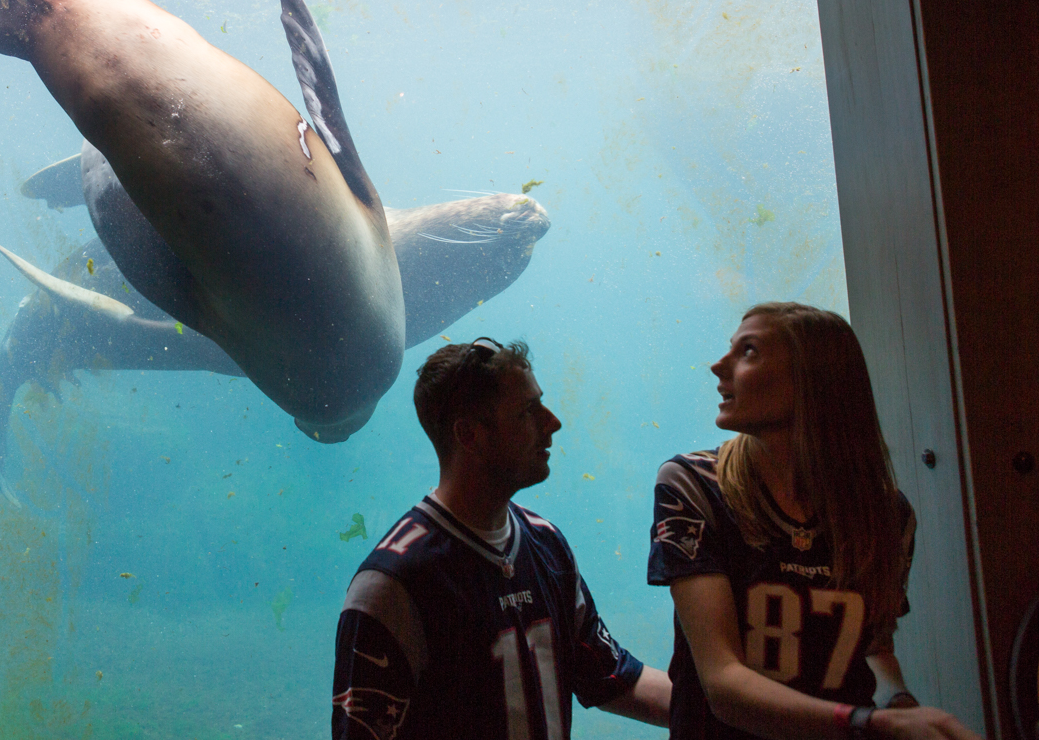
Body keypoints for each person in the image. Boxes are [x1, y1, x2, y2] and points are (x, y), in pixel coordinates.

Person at [648, 303, 982, 740]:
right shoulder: (692, 484)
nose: (718, 365)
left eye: (747, 351)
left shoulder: (889, 516)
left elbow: (874, 649)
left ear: (813, 380)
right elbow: (723, 682)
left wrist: (899, 703)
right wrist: (870, 723)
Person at [333, 337, 672, 739]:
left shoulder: (547, 545)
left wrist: (735, 713)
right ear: (469, 435)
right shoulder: (393, 585)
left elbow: (609, 676)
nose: (553, 422)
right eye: (529, 411)